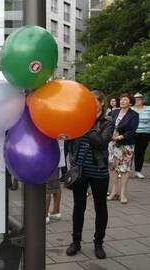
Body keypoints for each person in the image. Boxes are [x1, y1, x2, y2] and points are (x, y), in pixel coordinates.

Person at [66, 91, 114, 259]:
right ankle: (76, 242)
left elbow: (101, 143)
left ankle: (98, 243)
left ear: (101, 103)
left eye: (93, 101)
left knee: (100, 207)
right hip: (79, 171)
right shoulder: (79, 117)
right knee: (78, 207)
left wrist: (88, 126)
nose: (89, 103)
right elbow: (70, 139)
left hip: (99, 171)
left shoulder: (108, 122)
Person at [108, 93, 139, 204]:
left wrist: (120, 137)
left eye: (125, 99)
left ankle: (123, 193)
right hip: (112, 144)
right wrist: (109, 136)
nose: (122, 101)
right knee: (112, 167)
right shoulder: (113, 112)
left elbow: (132, 130)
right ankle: (114, 191)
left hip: (126, 145)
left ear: (130, 102)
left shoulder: (134, 115)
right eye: (121, 99)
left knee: (124, 169)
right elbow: (108, 125)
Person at [46, 140, 65, 224]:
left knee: (47, 188)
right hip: (56, 154)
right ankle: (56, 211)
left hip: (49, 154)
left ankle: (45, 214)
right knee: (55, 184)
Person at [132, 92, 150, 179]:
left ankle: (138, 171)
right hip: (131, 133)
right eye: (136, 99)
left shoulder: (148, 109)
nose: (137, 100)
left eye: (139, 99)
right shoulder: (130, 109)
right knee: (128, 152)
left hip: (145, 133)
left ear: (143, 100)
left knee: (140, 152)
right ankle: (122, 170)